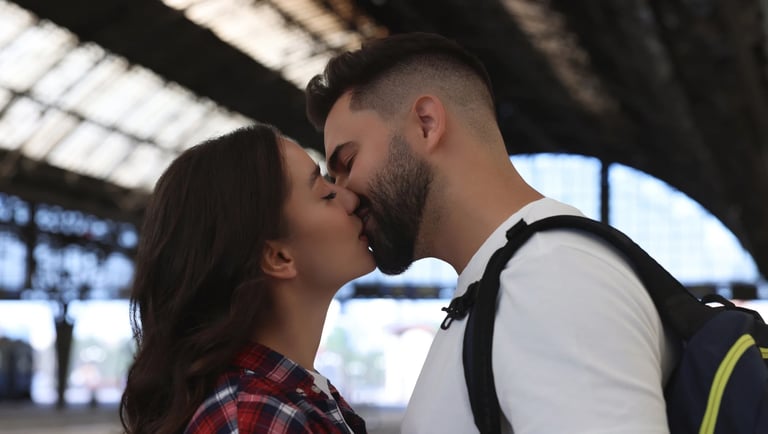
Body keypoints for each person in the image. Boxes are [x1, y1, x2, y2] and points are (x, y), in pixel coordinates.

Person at [305, 32, 678, 433]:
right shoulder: (505, 280)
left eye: (348, 161)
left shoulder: (550, 276)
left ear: (426, 124)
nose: (343, 195)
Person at [119, 123, 372, 434]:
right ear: (278, 258)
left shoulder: (287, 398)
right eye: (326, 193)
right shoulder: (257, 418)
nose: (351, 199)